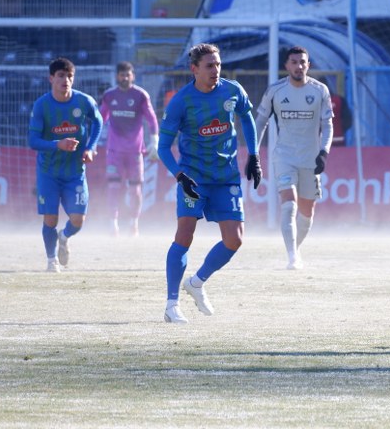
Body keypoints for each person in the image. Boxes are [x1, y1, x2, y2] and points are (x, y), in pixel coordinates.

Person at [158, 43, 262, 324]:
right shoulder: (181, 101)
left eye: (218, 65)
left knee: (234, 239)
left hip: (225, 176)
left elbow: (247, 119)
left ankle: (197, 281)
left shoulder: (233, 90)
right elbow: (163, 148)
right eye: (209, 66)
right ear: (194, 69)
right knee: (184, 236)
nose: (216, 70)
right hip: (194, 178)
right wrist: (180, 176)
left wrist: (253, 155)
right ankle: (171, 304)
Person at [255, 46, 334, 270]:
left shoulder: (320, 91)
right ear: (286, 65)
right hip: (284, 156)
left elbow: (327, 125)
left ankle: (295, 249)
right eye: (294, 62)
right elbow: (261, 121)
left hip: (310, 159)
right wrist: (254, 152)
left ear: (308, 65)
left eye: (303, 62)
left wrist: (324, 152)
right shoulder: (275, 90)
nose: (299, 66)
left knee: (307, 212)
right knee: (289, 205)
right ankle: (293, 257)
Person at [27, 57, 103, 273]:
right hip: (48, 172)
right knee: (50, 218)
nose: (66, 80)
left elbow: (98, 121)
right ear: (51, 78)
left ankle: (65, 236)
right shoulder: (42, 105)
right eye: (61, 75)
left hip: (75, 172)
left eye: (69, 76)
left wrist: (90, 147)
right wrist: (57, 144)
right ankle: (52, 260)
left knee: (78, 220)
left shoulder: (83, 101)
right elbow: (33, 142)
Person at [99, 61, 159, 238]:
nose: (124, 78)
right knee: (113, 187)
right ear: (117, 76)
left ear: (133, 76)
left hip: (135, 152)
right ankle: (113, 225)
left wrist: (154, 141)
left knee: (135, 189)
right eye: (121, 75)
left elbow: (152, 119)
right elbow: (100, 119)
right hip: (114, 152)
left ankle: (134, 224)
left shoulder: (140, 95)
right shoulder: (109, 96)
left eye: (127, 74)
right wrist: (90, 141)